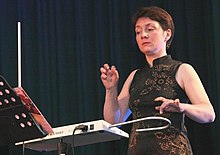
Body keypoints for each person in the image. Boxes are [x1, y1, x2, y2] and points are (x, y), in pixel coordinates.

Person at [100, 6, 215, 155]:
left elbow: (208, 114)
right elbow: (114, 122)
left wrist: (182, 108)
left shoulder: (182, 69)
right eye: (138, 32)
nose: (143, 35)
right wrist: (111, 89)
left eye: (150, 29)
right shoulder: (134, 76)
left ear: (167, 34)